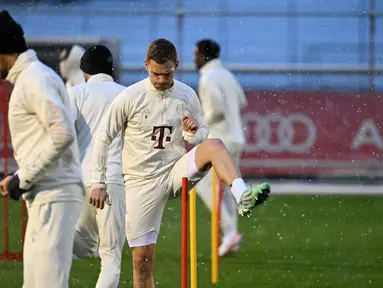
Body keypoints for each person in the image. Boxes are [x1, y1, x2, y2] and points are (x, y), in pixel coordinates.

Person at [90, 38, 271, 288]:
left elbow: (201, 132)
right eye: (156, 74)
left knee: (215, 145)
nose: (161, 80)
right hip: (141, 183)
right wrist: (98, 182)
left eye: (167, 73)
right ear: (146, 65)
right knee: (142, 262)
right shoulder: (130, 97)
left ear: (176, 64)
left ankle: (242, 196)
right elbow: (103, 136)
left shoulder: (187, 93)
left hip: (176, 171)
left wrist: (192, 133)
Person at [0, 10, 84, 288]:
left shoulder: (35, 78)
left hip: (55, 195)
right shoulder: (33, 77)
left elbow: (62, 134)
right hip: (45, 196)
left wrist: (21, 178)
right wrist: (20, 180)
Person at [68, 45, 126, 288]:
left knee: (71, 248)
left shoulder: (76, 92)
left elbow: (62, 133)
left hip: (82, 180)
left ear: (83, 71)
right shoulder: (127, 93)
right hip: (113, 180)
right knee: (110, 258)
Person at [194, 39, 248, 257]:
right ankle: (230, 234)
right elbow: (242, 102)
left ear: (204, 55)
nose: (194, 59)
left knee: (204, 185)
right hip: (236, 138)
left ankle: (229, 231)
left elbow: (215, 109)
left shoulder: (208, 77)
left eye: (196, 54)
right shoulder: (227, 74)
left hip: (218, 140)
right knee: (229, 187)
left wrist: (200, 125)